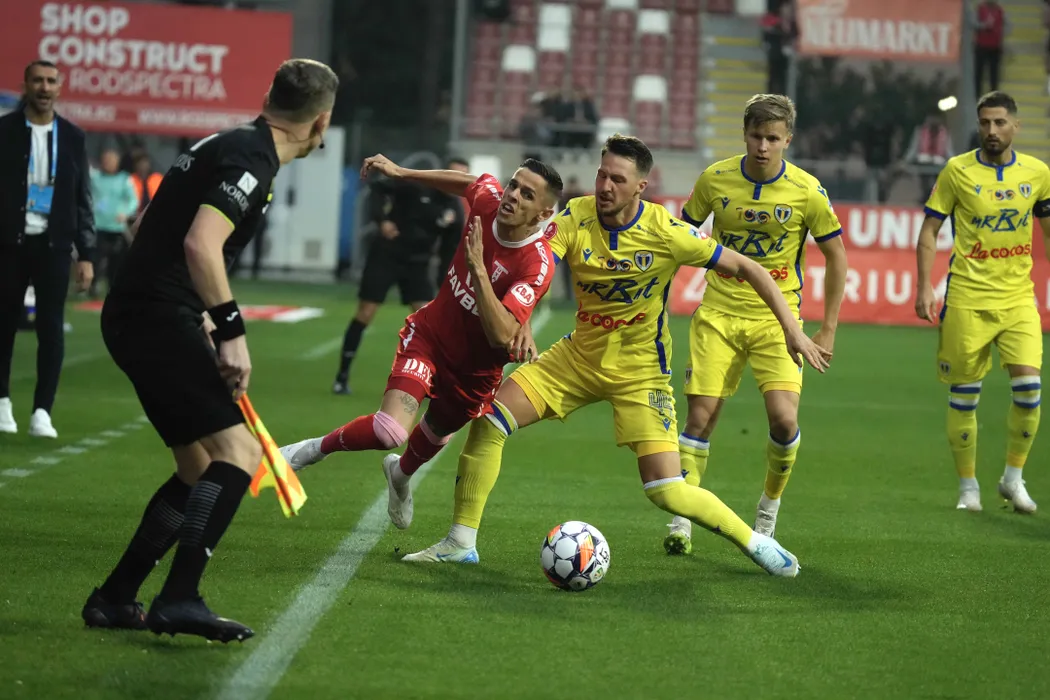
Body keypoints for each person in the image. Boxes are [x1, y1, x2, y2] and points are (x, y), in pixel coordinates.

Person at [401, 134, 831, 576]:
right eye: (602, 174)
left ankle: (755, 542)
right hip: (577, 358)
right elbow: (538, 264)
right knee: (491, 420)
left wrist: (792, 329)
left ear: (641, 187)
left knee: (665, 489)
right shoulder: (576, 216)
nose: (605, 186)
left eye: (617, 180)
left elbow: (750, 267)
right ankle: (460, 542)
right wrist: (522, 318)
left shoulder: (666, 232)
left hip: (641, 373)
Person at [81, 58, 339, 642]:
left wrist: (190, 305)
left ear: (269, 97)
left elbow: (152, 224)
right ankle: (179, 598)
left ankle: (116, 597)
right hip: (154, 316)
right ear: (320, 121)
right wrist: (230, 331)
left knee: (197, 468)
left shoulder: (225, 143)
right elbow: (202, 242)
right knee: (239, 453)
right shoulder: (252, 159)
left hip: (141, 311)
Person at [281, 156, 563, 533]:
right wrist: (402, 173)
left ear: (543, 214)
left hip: (475, 371)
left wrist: (478, 271)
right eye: (514, 184)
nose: (512, 195)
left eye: (527, 194)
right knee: (389, 431)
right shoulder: (488, 202)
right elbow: (468, 182)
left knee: (437, 433)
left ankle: (400, 476)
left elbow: (500, 335)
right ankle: (312, 450)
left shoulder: (537, 264)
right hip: (430, 338)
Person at [670, 94, 848, 553]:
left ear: (788, 139)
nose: (763, 146)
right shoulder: (715, 179)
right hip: (719, 313)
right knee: (700, 417)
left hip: (778, 321)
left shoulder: (807, 191)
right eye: (756, 136)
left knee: (785, 422)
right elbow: (680, 237)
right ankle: (683, 517)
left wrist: (827, 327)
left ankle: (768, 509)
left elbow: (836, 255)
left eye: (773, 138)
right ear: (744, 135)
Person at [915, 90, 1050, 514]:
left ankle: (1013, 478)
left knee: (1029, 391)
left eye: (1000, 122)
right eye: (985, 123)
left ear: (1015, 126)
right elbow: (929, 231)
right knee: (965, 395)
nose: (992, 130)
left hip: (1018, 298)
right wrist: (924, 287)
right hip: (967, 299)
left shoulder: (1038, 173)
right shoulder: (957, 171)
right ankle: (968, 488)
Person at [0, 60, 95, 439]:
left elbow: (82, 197)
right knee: (4, 324)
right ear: (26, 84)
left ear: (60, 87)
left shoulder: (73, 136)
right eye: (37, 80)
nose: (44, 87)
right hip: (9, 242)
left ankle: (42, 411)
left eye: (50, 81)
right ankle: (2, 402)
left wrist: (86, 254)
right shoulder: (5, 131)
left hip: (54, 244)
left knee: (51, 328)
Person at [332, 157, 471, 395]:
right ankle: (342, 376)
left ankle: (434, 382)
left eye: (461, 178)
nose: (455, 181)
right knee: (366, 312)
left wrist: (445, 287)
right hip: (386, 255)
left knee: (429, 324)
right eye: (452, 174)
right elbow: (378, 188)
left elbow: (448, 254)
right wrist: (382, 220)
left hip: (418, 264)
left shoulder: (455, 212)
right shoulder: (416, 185)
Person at [90, 148, 139, 298]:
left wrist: (126, 213)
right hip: (98, 225)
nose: (108, 163)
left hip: (116, 228)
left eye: (111, 160)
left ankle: (113, 289)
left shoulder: (124, 180)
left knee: (116, 262)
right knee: (95, 259)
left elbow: (133, 200)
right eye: (106, 160)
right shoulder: (95, 178)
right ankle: (93, 286)